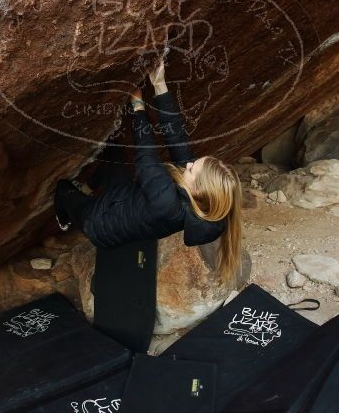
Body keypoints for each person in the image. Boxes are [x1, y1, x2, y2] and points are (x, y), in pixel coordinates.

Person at [54, 50, 243, 283]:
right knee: (113, 149)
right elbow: (177, 138)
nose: (190, 163)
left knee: (63, 189)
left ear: (196, 189)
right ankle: (91, 184)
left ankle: (65, 216)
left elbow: (146, 157)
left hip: (101, 223)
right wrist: (159, 84)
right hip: (124, 198)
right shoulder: (203, 204)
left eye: (193, 168)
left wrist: (138, 105)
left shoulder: (168, 204)